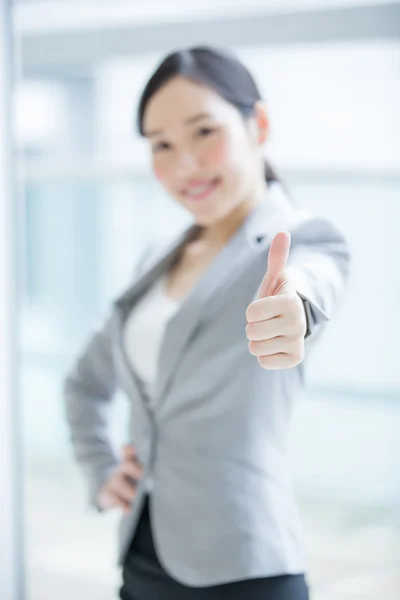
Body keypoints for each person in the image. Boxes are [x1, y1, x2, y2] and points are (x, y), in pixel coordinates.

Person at [63, 45, 350, 600]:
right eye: (161, 145)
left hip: (243, 565)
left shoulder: (301, 237)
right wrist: (101, 468)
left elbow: (312, 280)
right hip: (141, 558)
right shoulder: (155, 261)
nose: (184, 165)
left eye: (203, 132)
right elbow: (83, 383)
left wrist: (293, 313)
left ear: (257, 124)